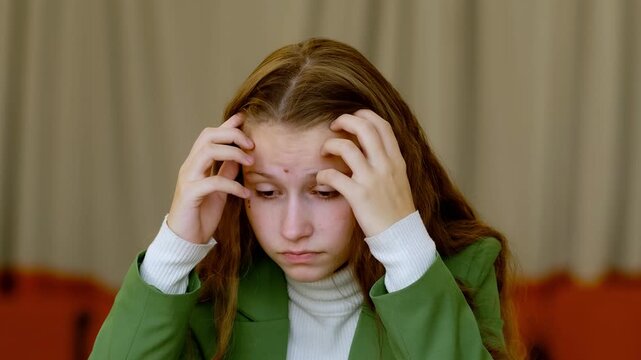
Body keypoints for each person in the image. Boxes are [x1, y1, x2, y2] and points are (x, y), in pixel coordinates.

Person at [90, 38, 517, 359]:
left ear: (385, 178)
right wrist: (173, 250)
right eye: (267, 191)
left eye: (326, 191)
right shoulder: (211, 286)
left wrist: (402, 243)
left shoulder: (463, 269)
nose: (293, 229)